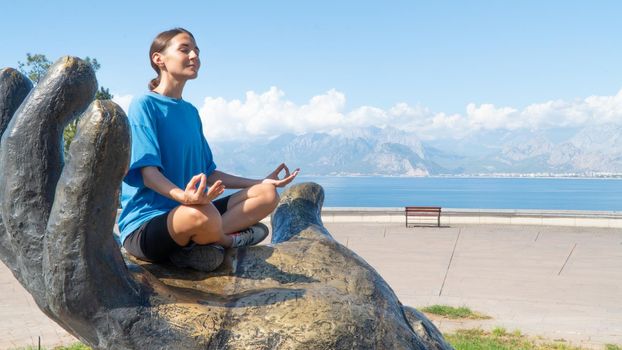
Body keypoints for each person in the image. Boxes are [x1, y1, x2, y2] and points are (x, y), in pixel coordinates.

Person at [118, 28, 299, 272]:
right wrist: (185, 198)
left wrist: (260, 181)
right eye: (185, 49)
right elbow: (148, 175)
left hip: (195, 209)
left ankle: (199, 245)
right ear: (158, 59)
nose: (194, 56)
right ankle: (227, 240)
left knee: (266, 195)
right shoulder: (144, 105)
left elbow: (210, 174)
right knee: (201, 215)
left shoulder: (191, 113)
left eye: (196, 51)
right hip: (148, 225)